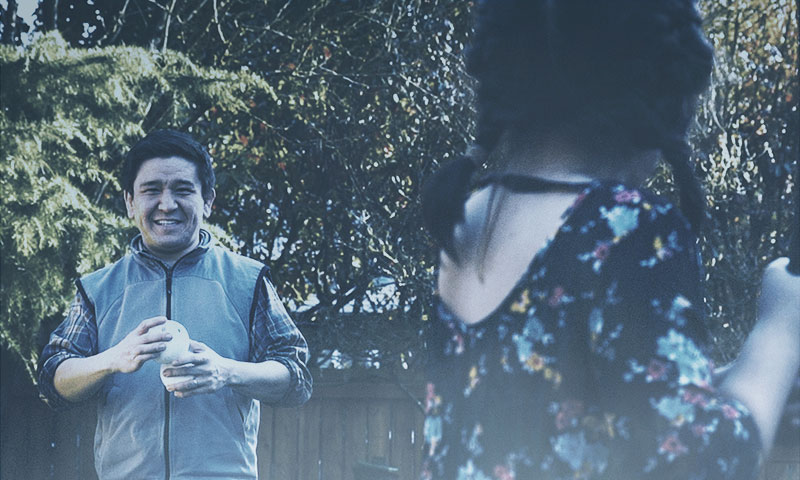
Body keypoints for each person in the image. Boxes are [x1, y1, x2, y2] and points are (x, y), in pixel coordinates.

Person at [419, 1, 800, 479]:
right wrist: (779, 334)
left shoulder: (465, 218)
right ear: (660, 92)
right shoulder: (626, 228)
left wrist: (726, 384)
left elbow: (551, 396)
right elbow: (703, 463)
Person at [37, 129, 313, 479]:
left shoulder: (247, 280)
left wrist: (225, 371)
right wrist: (111, 359)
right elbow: (53, 380)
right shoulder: (98, 289)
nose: (167, 204)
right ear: (130, 202)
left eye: (183, 190)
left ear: (208, 200)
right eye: (151, 190)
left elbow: (297, 377)